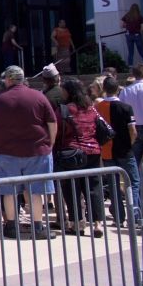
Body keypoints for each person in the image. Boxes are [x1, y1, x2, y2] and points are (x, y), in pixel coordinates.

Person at [0, 65, 57, 239]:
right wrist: (50, 143)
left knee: (9, 190)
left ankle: (11, 226)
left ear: (8, 79)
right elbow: (52, 122)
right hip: (37, 149)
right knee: (36, 191)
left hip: (7, 151)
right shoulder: (38, 96)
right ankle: (37, 227)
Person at [53, 78, 104, 237]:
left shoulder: (64, 110)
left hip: (71, 152)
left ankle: (77, 223)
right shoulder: (91, 108)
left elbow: (57, 130)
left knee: (71, 188)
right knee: (93, 188)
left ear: (68, 91)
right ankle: (98, 224)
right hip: (93, 151)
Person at [99, 76, 139, 224]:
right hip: (125, 150)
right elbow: (133, 131)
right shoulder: (126, 108)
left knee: (113, 184)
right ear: (118, 89)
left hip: (107, 151)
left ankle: (118, 217)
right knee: (134, 182)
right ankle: (134, 215)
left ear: (104, 89)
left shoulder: (98, 108)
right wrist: (130, 143)